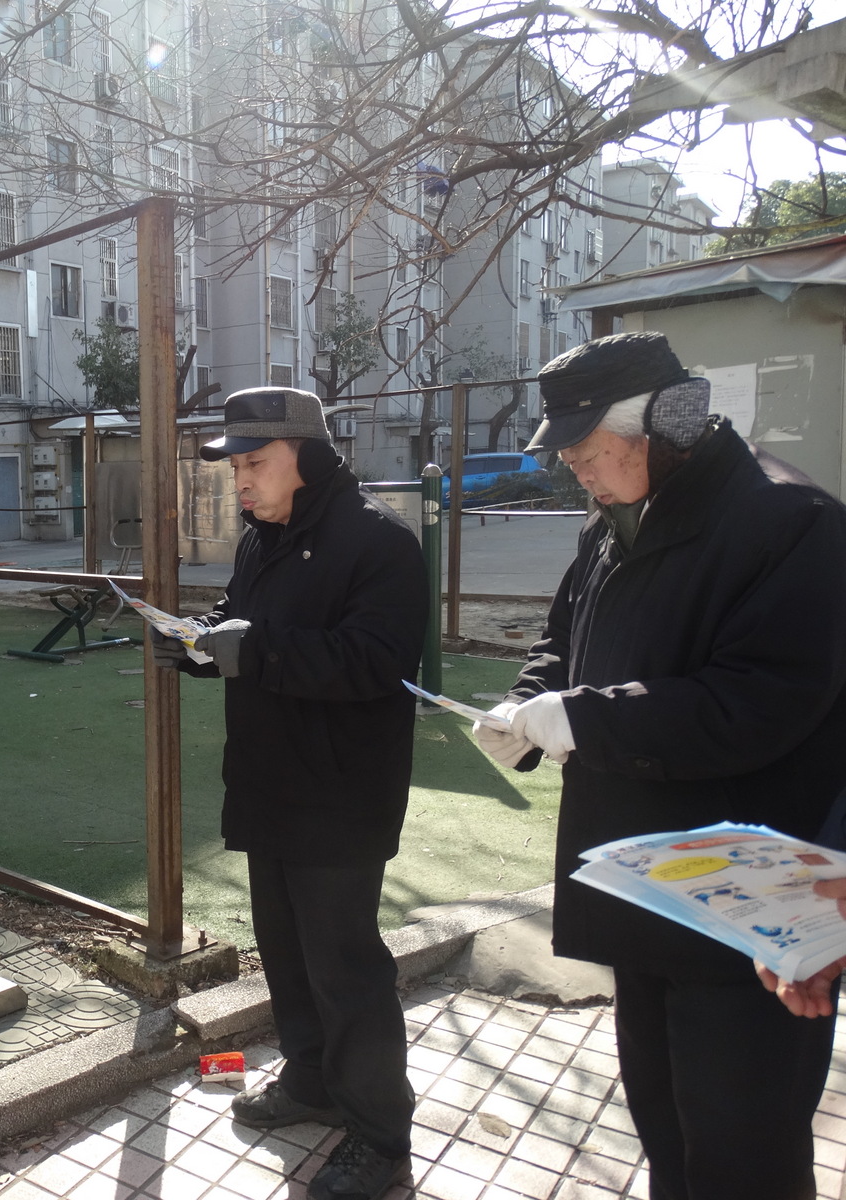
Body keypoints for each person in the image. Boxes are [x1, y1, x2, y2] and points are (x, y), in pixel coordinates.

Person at [473, 331, 846, 1200]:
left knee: (744, 1151)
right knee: (665, 1128)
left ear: (666, 422)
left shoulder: (791, 522)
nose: (576, 470)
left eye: (587, 449)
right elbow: (563, 638)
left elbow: (760, 700)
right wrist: (526, 706)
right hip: (635, 888)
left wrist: (586, 719)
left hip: (744, 910)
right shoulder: (608, 523)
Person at [152, 386, 427, 1200]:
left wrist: (254, 650)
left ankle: (380, 1133)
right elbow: (241, 620)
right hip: (267, 781)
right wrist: (201, 645)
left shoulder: (379, 541)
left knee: (345, 967)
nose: (241, 480)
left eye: (255, 462)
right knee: (285, 952)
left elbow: (375, 661)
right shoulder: (261, 539)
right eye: (235, 465)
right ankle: (310, 1080)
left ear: (305, 455)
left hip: (341, 796)